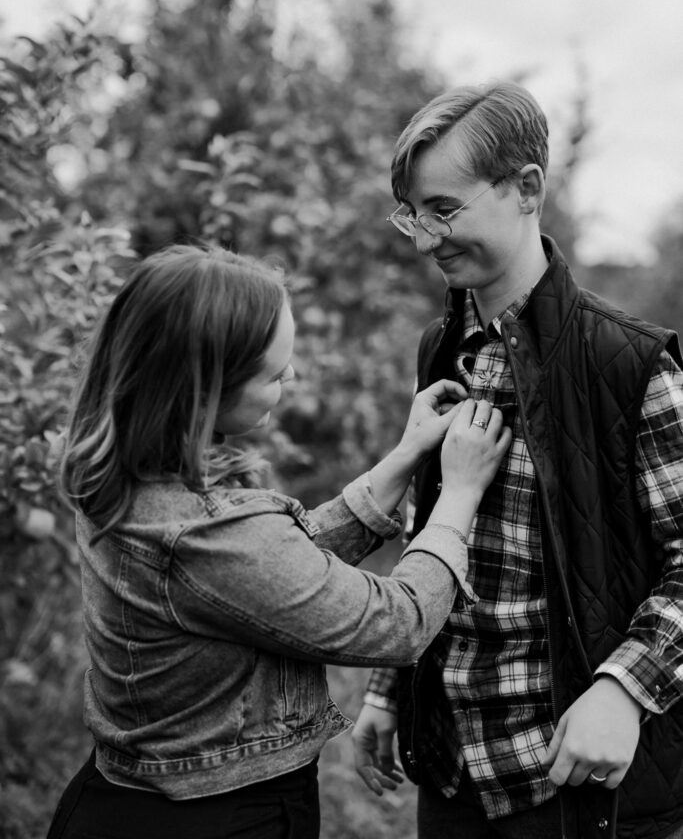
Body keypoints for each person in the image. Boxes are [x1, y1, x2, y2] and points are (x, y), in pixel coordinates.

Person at [46, 243, 511, 839]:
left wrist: (404, 457)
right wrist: (460, 495)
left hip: (133, 803)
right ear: (206, 384)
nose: (290, 376)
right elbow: (398, 622)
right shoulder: (202, 527)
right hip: (214, 819)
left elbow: (271, 575)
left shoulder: (134, 477)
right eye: (273, 371)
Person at [351, 81, 683, 839]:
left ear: (526, 188)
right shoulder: (439, 349)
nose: (425, 237)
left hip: (573, 776)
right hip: (451, 768)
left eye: (444, 208)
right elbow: (434, 530)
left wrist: (623, 690)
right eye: (412, 213)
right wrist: (390, 688)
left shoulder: (629, 365)